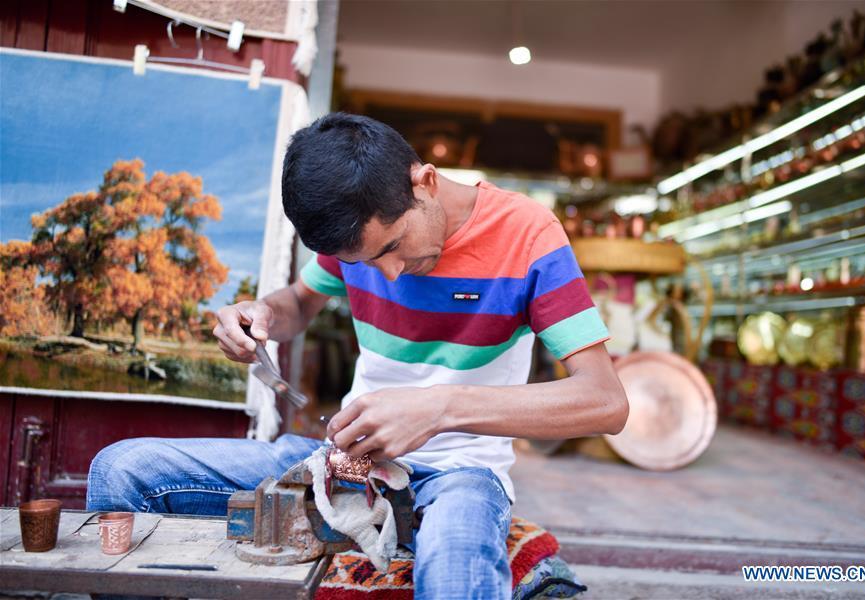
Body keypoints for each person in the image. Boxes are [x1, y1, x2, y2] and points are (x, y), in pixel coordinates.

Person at [87, 113, 629, 599]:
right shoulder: (356, 228)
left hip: (458, 472)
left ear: (425, 182)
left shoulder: (528, 233)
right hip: (343, 460)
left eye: (392, 247)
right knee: (122, 471)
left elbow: (605, 402)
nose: (388, 274)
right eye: (365, 263)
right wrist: (263, 313)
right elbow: (300, 303)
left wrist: (440, 409)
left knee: (455, 581)